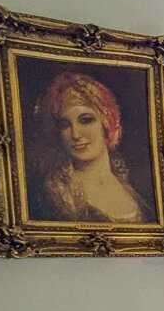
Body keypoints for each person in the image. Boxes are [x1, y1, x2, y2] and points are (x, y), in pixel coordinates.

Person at [28, 71, 153, 223]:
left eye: (86, 120)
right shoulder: (52, 195)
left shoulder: (135, 187)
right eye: (64, 125)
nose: (75, 134)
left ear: (107, 123)